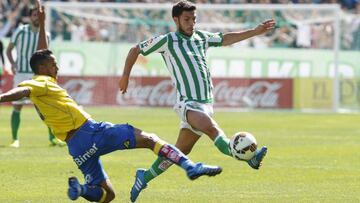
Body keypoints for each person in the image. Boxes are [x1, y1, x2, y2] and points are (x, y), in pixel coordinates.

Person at [0, 5, 222, 203]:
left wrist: (43, 26)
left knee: (107, 195)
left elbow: (42, 56)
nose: (57, 67)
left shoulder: (43, 79)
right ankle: (190, 167)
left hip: (76, 148)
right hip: (91, 132)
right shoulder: (40, 82)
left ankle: (82, 189)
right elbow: (22, 90)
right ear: (44, 68)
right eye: (54, 65)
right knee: (148, 139)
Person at [119, 1, 276, 202]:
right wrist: (126, 76)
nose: (191, 23)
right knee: (212, 129)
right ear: (176, 20)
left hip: (206, 104)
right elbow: (136, 49)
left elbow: (226, 38)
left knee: (178, 152)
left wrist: (255, 31)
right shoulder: (168, 41)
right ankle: (248, 157)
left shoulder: (201, 37)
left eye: (194, 19)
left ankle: (144, 176)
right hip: (187, 104)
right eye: (186, 19)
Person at [6, 4, 64, 147]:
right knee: (17, 106)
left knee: (45, 108)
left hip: (39, 77)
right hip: (22, 74)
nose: (36, 17)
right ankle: (15, 139)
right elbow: (9, 50)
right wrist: (13, 63)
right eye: (34, 15)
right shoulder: (20, 31)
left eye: (38, 15)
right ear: (30, 16)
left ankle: (53, 138)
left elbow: (46, 55)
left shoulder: (46, 34)